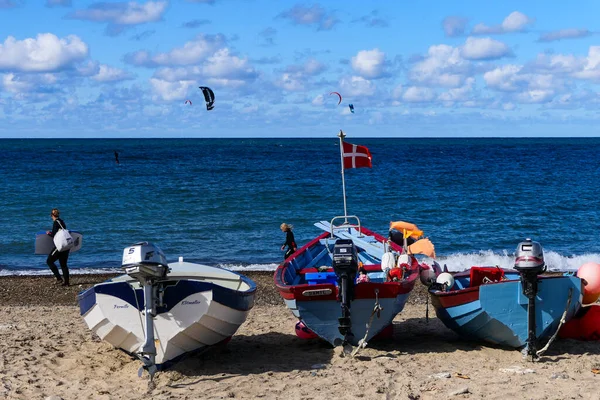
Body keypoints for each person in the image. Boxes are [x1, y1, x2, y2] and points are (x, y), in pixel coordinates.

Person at [46, 208, 70, 286]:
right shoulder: (62, 221)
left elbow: (53, 234)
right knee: (63, 264)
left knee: (49, 261)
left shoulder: (56, 222)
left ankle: (59, 278)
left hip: (59, 246)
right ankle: (66, 282)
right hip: (66, 246)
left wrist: (48, 233)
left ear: (52, 215)